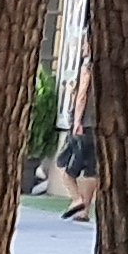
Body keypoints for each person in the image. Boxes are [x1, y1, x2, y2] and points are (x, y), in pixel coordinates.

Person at [51, 61, 100, 221]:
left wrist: (77, 121)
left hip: (84, 125)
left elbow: (82, 95)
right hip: (98, 127)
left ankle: (77, 199)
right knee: (91, 171)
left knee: (66, 170)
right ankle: (83, 211)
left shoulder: (88, 67)